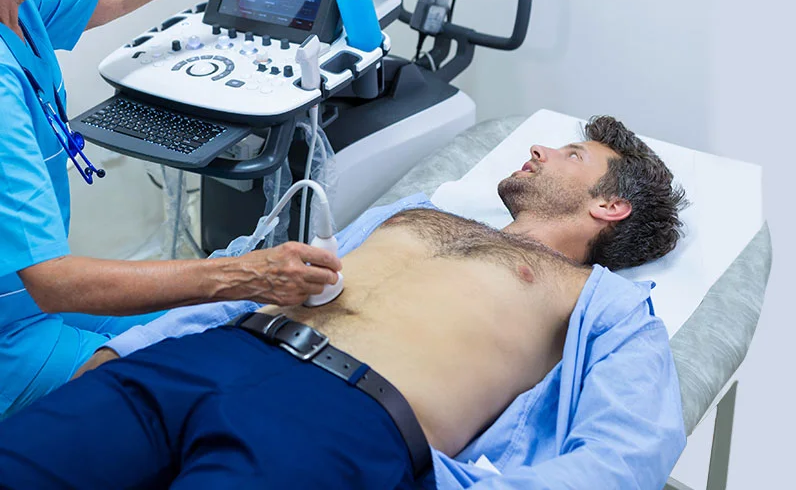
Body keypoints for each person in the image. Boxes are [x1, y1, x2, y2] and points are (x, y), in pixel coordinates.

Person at [0, 116, 690, 489]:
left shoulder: (608, 306)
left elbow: (630, 451)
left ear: (610, 204)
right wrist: (133, 349)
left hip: (342, 422)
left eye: (571, 153)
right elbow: (264, 280)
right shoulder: (416, 213)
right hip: (212, 355)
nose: (540, 147)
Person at [0, 0, 343, 418]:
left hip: (26, 300)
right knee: (194, 392)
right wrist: (245, 274)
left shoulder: (22, 7)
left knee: (207, 321)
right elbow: (55, 279)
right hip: (15, 329)